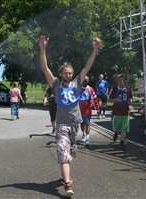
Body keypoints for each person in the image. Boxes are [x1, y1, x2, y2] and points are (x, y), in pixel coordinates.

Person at [39, 35, 101, 197]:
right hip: (61, 125)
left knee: (70, 153)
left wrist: (95, 49)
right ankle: (68, 184)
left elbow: (87, 66)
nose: (68, 75)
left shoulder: (77, 83)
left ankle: (64, 175)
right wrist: (43, 49)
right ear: (61, 74)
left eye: (70, 73)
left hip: (75, 124)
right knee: (63, 154)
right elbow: (45, 68)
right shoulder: (56, 85)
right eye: (65, 73)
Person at [108, 74, 133, 150]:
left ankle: (121, 142)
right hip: (116, 112)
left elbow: (131, 99)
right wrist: (115, 100)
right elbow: (109, 99)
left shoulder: (128, 90)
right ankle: (116, 132)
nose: (122, 81)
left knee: (124, 128)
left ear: (124, 81)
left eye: (123, 80)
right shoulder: (114, 89)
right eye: (120, 80)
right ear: (117, 81)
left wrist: (130, 101)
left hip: (125, 112)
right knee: (116, 127)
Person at [79, 76, 99, 146]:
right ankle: (84, 134)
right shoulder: (78, 89)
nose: (85, 82)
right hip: (80, 110)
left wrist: (97, 109)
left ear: (88, 82)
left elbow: (95, 100)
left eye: (86, 81)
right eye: (84, 80)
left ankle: (87, 139)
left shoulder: (90, 89)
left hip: (87, 110)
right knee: (81, 123)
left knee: (87, 123)